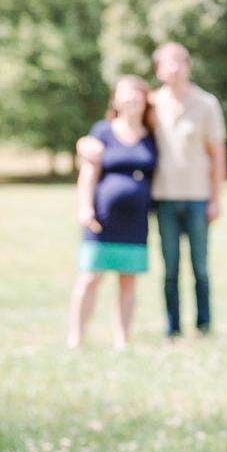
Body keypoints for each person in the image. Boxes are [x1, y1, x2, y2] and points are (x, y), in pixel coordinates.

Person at [67, 75, 158, 349]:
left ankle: (122, 339)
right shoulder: (103, 131)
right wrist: (84, 206)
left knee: (128, 281)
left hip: (136, 222)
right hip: (102, 220)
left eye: (137, 93)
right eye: (125, 93)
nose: (132, 98)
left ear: (145, 99)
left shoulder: (152, 136)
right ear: (115, 99)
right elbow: (88, 172)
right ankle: (76, 337)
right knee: (90, 278)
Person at [151, 42, 227, 339]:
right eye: (167, 63)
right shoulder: (151, 104)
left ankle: (203, 326)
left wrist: (216, 198)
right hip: (164, 199)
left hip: (198, 198)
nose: (173, 68)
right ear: (158, 70)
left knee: (200, 268)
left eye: (179, 62)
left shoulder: (206, 104)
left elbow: (217, 154)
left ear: (188, 66)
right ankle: (172, 328)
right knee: (169, 270)